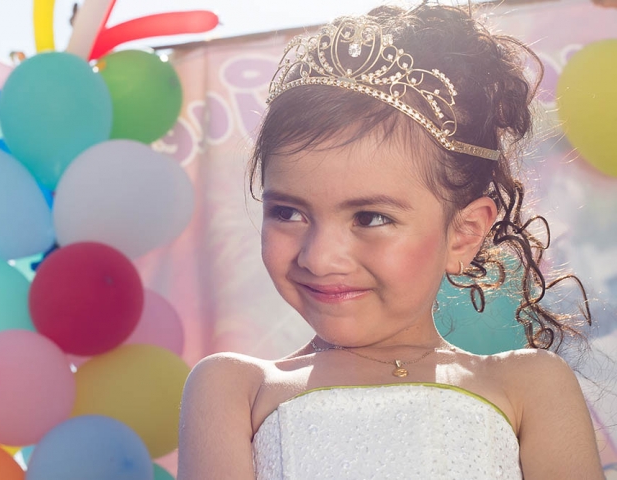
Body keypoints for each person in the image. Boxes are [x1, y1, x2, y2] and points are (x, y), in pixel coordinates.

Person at [177, 4, 604, 479]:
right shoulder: (237, 389)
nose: (319, 258)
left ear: (463, 234)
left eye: (371, 217)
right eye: (289, 212)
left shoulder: (530, 387)